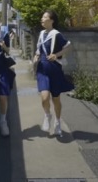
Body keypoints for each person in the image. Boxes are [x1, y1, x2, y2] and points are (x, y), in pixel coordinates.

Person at [34, 9, 74, 137]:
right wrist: (36, 56)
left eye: (44, 17)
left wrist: (56, 55)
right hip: (42, 69)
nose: (42, 19)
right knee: (44, 97)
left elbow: (68, 47)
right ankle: (47, 115)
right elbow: (39, 50)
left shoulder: (56, 34)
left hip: (55, 70)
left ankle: (57, 122)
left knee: (56, 99)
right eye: (42, 16)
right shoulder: (41, 34)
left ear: (51, 20)